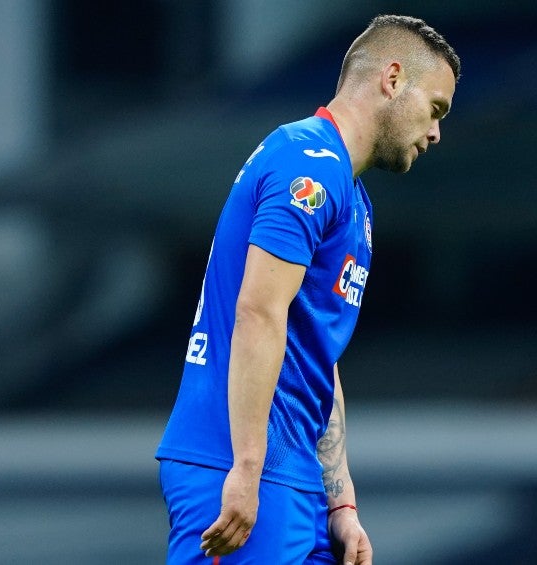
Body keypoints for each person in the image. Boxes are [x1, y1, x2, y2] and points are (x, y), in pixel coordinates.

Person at [155, 14, 459, 565]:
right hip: (242, 462)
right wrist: (246, 468)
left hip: (294, 477)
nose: (437, 131)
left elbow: (320, 359)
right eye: (434, 108)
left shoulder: (353, 201)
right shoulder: (307, 162)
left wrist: (340, 504)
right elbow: (258, 312)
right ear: (392, 79)